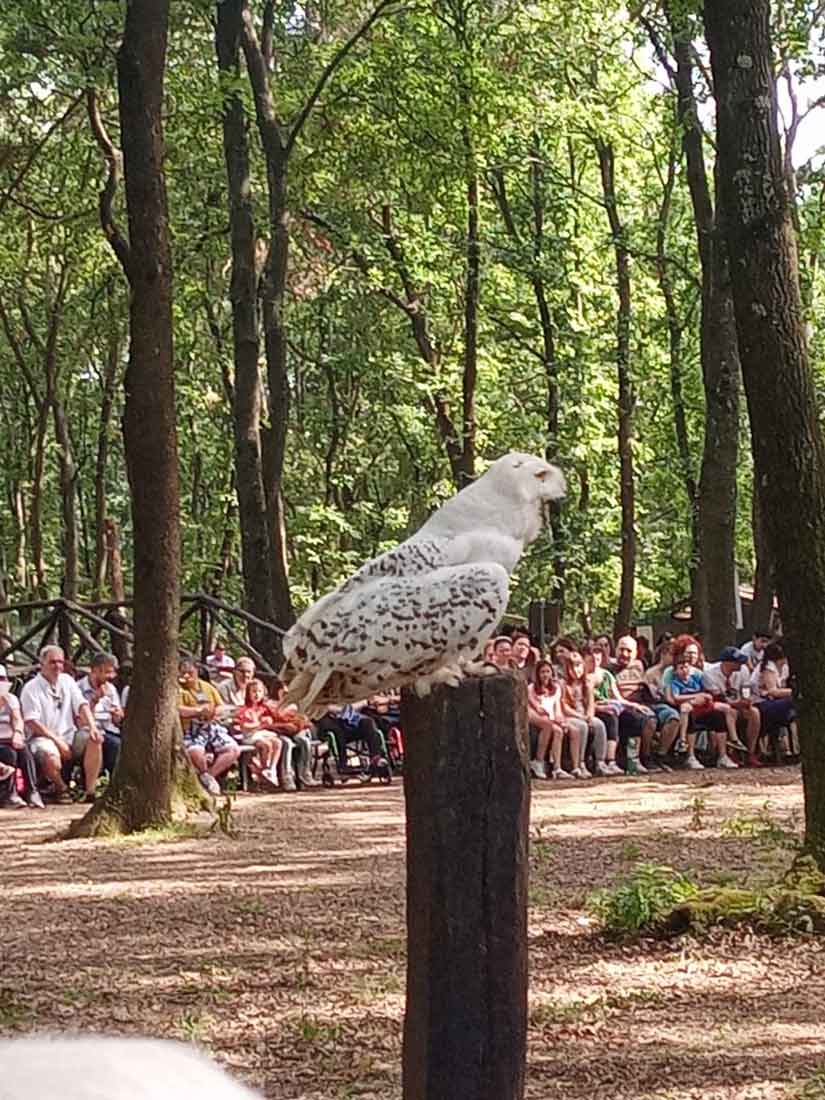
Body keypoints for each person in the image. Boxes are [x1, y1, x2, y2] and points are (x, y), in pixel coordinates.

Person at [20, 645, 103, 803]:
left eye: (60, 662)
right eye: (52, 662)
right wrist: (57, 741)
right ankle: (62, 789)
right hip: (42, 737)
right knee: (49, 755)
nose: (57, 666)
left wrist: (93, 727)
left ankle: (90, 791)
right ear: (42, 663)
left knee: (95, 739)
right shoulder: (31, 688)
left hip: (69, 734)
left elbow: (82, 705)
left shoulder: (67, 681)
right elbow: (31, 721)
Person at [665, 653, 739, 770]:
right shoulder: (674, 682)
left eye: (686, 667)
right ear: (675, 671)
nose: (684, 670)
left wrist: (706, 696)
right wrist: (695, 696)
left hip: (702, 707)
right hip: (688, 709)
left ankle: (723, 755)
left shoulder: (696, 678)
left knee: (719, 716)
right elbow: (675, 697)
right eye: (681, 668)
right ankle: (689, 754)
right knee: (688, 715)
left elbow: (706, 692)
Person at [178, 658, 240, 795]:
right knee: (195, 751)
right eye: (183, 673)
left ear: (197, 671)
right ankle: (204, 774)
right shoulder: (177, 689)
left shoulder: (207, 687)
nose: (186, 676)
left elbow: (221, 706)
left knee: (233, 749)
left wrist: (214, 712)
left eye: (190, 673)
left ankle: (209, 777)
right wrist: (198, 711)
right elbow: (177, 709)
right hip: (190, 729)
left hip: (211, 726)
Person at [702, 647, 760, 766]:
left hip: (739, 703)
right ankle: (732, 750)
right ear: (727, 662)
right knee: (730, 712)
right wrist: (735, 703)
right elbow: (718, 698)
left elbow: (746, 688)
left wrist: (746, 699)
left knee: (754, 712)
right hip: (721, 706)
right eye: (737, 662)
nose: (740, 664)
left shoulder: (743, 670)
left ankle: (750, 752)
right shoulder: (710, 674)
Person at [610, 636, 658, 772]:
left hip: (642, 703)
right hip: (619, 705)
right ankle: (632, 759)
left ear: (636, 653)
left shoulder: (639, 665)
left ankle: (646, 756)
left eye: (629, 651)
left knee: (652, 718)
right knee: (638, 719)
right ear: (616, 650)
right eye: (621, 650)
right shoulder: (609, 668)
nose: (624, 654)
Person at [559, 650, 610, 778]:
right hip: (571, 716)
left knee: (599, 725)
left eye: (579, 666)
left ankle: (600, 762)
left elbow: (591, 703)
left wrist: (589, 715)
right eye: (573, 667)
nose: (577, 670)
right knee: (582, 727)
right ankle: (580, 762)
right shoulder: (563, 685)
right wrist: (581, 717)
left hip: (584, 714)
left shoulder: (586, 684)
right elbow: (564, 706)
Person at [528, 660, 580, 779]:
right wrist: (541, 711)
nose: (545, 675)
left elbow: (557, 708)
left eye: (547, 671)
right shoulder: (531, 688)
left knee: (575, 731)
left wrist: (561, 720)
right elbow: (535, 705)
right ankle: (555, 767)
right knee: (557, 731)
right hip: (540, 716)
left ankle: (576, 767)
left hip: (552, 717)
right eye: (542, 672)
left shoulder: (556, 689)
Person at [263, 680, 320, 789]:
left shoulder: (294, 705)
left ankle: (306, 773)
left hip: (296, 730)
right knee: (287, 743)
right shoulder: (270, 705)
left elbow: (304, 720)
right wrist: (284, 724)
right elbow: (270, 723)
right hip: (280, 732)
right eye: (284, 692)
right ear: (277, 691)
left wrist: (298, 724)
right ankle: (287, 776)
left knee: (304, 741)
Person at [0, 664, 42, 809]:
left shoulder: (11, 699)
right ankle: (10, 795)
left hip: (11, 738)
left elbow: (17, 719)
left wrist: (18, 733)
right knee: (9, 753)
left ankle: (32, 791)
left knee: (25, 752)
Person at [77, 652, 124, 777]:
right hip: (87, 731)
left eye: (113, 672)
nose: (111, 676)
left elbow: (117, 721)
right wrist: (94, 700)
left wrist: (117, 715)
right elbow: (80, 721)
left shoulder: (111, 689)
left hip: (109, 730)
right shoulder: (78, 688)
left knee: (119, 745)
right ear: (96, 670)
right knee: (106, 743)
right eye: (108, 672)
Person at [581, 644, 626, 775]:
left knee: (631, 717)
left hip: (602, 707)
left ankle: (626, 760)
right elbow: (585, 702)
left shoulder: (606, 674)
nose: (595, 663)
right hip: (589, 710)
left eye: (598, 660)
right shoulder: (583, 678)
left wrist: (634, 706)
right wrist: (599, 707)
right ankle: (606, 760)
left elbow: (618, 697)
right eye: (591, 660)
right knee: (608, 719)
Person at [232, 679, 284, 788]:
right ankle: (264, 769)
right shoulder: (244, 709)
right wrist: (260, 724)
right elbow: (244, 727)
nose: (257, 694)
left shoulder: (264, 708)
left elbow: (271, 721)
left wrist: (268, 721)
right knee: (266, 745)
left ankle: (271, 769)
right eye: (254, 691)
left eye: (259, 691)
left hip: (262, 733)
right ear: (248, 693)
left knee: (278, 742)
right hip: (250, 735)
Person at [316, 702, 388, 778]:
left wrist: (353, 706)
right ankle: (343, 764)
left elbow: (363, 702)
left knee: (368, 722)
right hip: (330, 721)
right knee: (337, 731)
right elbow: (325, 707)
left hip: (350, 720)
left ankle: (376, 758)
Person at [750, 641, 797, 755]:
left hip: (774, 702)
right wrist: (795, 692)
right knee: (792, 701)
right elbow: (773, 691)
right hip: (761, 704)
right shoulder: (768, 667)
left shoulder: (784, 668)